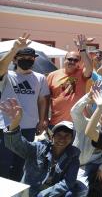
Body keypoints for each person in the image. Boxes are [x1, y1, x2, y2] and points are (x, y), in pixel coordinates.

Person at [1, 98, 81, 197]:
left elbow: (68, 182)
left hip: (49, 194)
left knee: (72, 193)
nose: (62, 139)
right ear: (52, 137)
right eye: (59, 135)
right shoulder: (38, 148)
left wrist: (42, 195)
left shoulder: (73, 157)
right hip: (28, 193)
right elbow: (16, 145)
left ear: (72, 139)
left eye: (67, 136)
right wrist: (15, 123)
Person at [0, 34, 50, 180]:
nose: (27, 60)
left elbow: (42, 100)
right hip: (6, 127)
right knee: (3, 163)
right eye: (22, 57)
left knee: (21, 164)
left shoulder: (40, 78)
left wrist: (43, 120)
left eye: (30, 58)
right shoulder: (7, 75)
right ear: (15, 59)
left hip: (28, 127)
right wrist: (15, 48)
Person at [70, 82, 102, 196]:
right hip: (81, 165)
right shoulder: (86, 124)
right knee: (81, 190)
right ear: (98, 110)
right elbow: (74, 111)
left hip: (99, 163)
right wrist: (89, 96)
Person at [47, 34, 92, 126]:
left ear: (79, 62)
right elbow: (46, 99)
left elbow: (89, 67)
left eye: (76, 60)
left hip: (78, 123)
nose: (72, 62)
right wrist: (44, 118)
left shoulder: (81, 74)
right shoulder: (52, 75)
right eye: (70, 59)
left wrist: (83, 49)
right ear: (64, 60)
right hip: (57, 122)